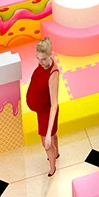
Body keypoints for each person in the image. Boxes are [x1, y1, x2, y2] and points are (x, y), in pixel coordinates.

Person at [25, 38, 60, 176]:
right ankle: (56, 153)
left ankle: (52, 167)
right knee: (52, 136)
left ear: (50, 55)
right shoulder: (42, 64)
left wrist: (48, 133)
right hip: (41, 110)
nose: (41, 62)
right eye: (38, 58)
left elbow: (54, 104)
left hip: (46, 112)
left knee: (47, 142)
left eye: (44, 59)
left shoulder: (53, 74)